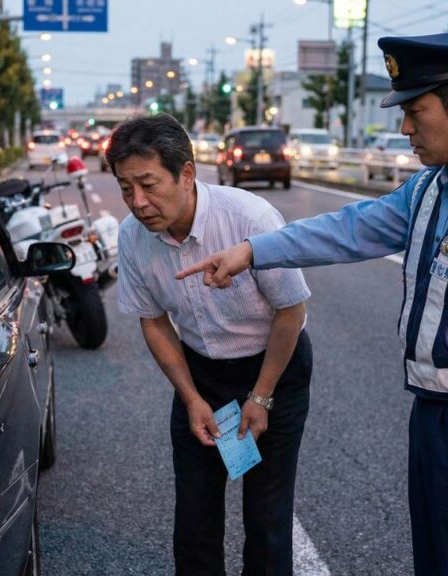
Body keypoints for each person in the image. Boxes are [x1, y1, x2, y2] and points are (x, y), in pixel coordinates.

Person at [178, 33, 448, 576]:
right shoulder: (433, 187)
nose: (405, 127)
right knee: (438, 562)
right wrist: (251, 251)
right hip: (433, 416)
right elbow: (352, 229)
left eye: (415, 110)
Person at [106, 113, 313, 576]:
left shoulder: (249, 218)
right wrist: (192, 397)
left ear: (186, 174)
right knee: (194, 520)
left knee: (267, 518)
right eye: (125, 188)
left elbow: (291, 311)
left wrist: (261, 396)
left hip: (274, 369)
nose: (138, 202)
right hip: (203, 372)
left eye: (148, 184)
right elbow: (154, 322)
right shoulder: (133, 237)